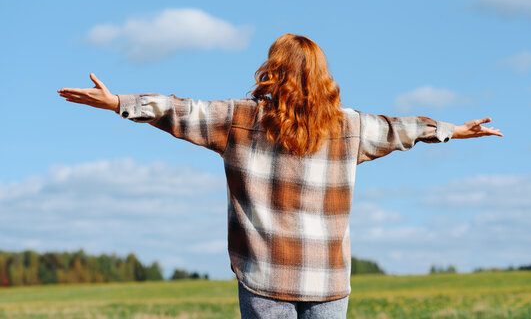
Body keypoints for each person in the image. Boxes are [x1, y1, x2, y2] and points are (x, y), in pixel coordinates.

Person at [58, 33, 502, 319]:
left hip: (264, 278)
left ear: (274, 71)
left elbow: (179, 110)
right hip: (328, 282)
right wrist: (453, 130)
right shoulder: (350, 128)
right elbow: (402, 129)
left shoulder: (237, 120)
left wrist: (120, 102)